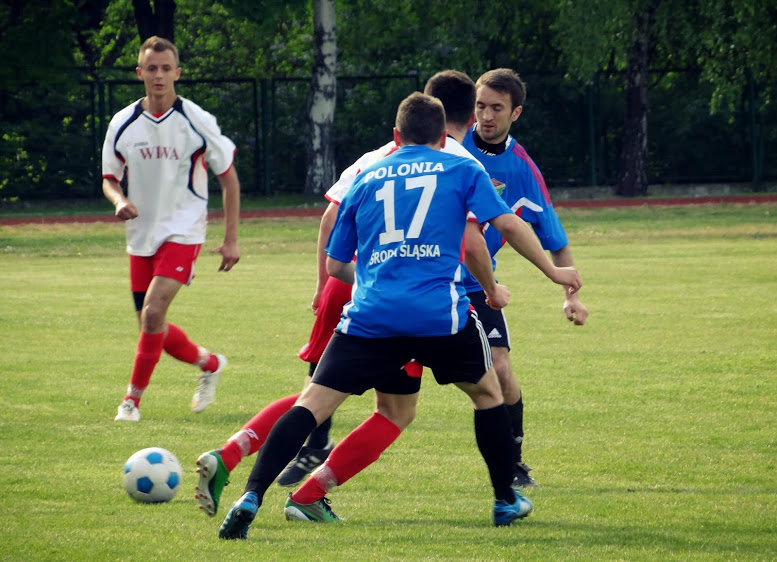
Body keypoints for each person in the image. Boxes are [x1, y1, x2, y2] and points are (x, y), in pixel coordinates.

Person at [217, 92, 582, 539]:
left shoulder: (366, 177)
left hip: (371, 317)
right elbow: (506, 224)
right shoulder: (463, 167)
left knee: (311, 405)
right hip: (438, 316)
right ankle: (506, 500)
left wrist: (377, 278)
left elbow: (336, 264)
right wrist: (552, 271)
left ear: (397, 134)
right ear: (443, 136)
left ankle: (250, 496)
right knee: (488, 394)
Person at [458, 68, 589, 485]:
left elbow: (555, 239)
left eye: (497, 108)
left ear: (516, 112)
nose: (486, 116)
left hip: (478, 286)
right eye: (480, 106)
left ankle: (513, 461)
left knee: (499, 368)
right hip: (424, 277)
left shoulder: (522, 170)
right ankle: (316, 440)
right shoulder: (451, 146)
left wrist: (570, 295)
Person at [102, 36, 240, 422]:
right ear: (140, 73)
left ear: (177, 73)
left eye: (166, 68)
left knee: (152, 313)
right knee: (151, 325)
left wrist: (230, 239)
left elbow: (229, 180)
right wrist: (118, 200)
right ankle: (210, 363)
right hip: (140, 235)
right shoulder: (123, 122)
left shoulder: (196, 120)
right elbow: (109, 178)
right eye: (152, 68)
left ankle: (131, 402)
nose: (159, 75)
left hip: (184, 230)